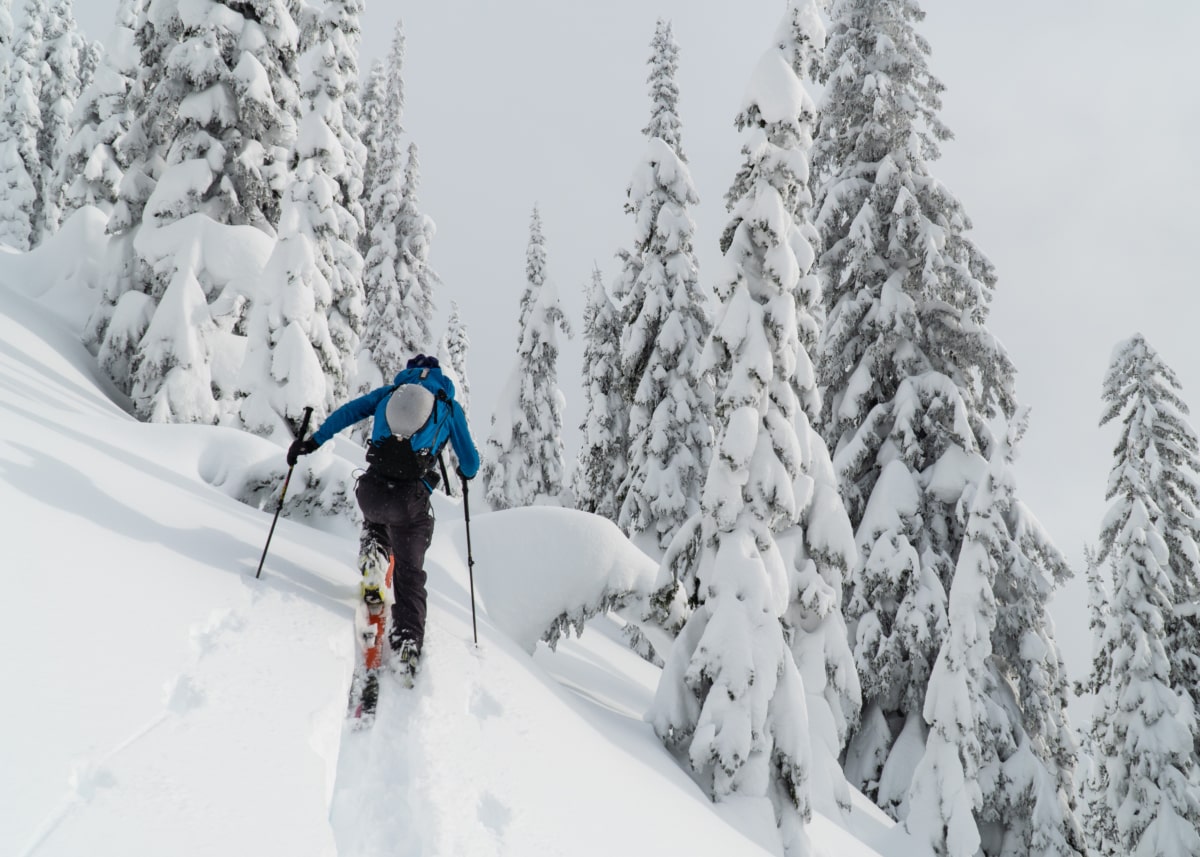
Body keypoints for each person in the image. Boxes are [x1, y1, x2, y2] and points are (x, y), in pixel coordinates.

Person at [287, 354, 479, 677]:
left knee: (377, 518)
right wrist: (461, 466)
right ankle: (406, 644)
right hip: (409, 504)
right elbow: (471, 464)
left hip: (371, 492)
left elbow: (348, 413)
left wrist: (311, 442)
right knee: (409, 573)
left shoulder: (390, 392)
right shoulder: (447, 405)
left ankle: (375, 552)